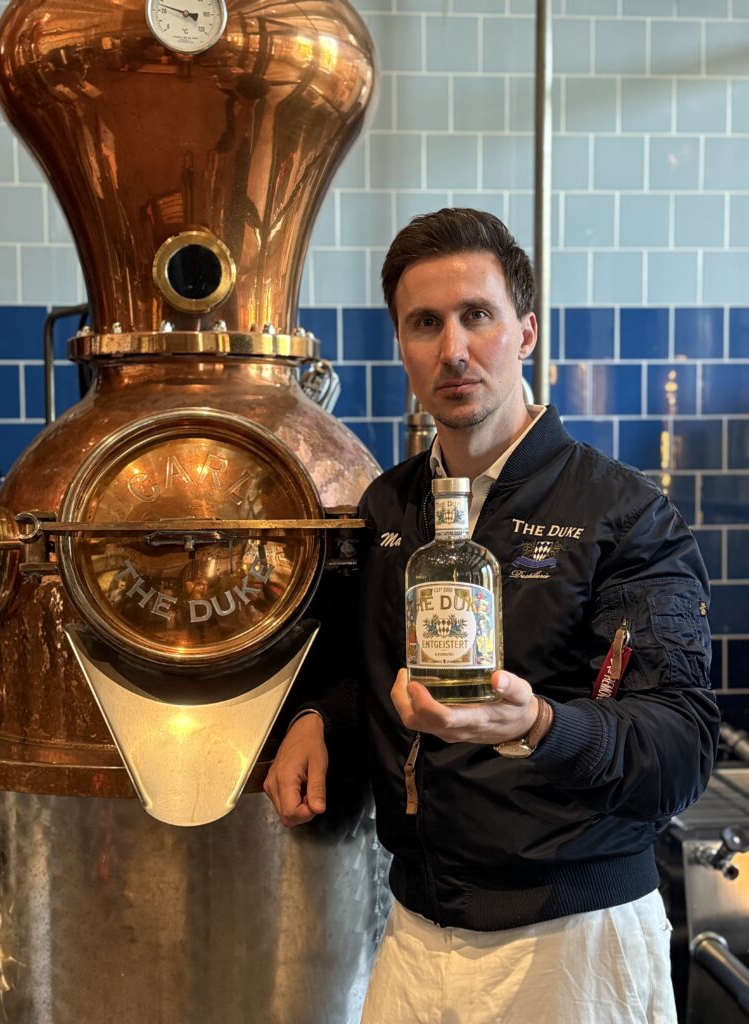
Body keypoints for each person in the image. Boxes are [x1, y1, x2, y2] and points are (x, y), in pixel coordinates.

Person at [264, 208, 719, 1024]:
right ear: (401, 345)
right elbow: (361, 674)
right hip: (414, 936)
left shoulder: (623, 514)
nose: (453, 349)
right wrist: (316, 719)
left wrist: (542, 724)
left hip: (575, 947)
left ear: (526, 332)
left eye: (477, 315)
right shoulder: (388, 508)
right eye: (425, 323)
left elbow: (682, 744)